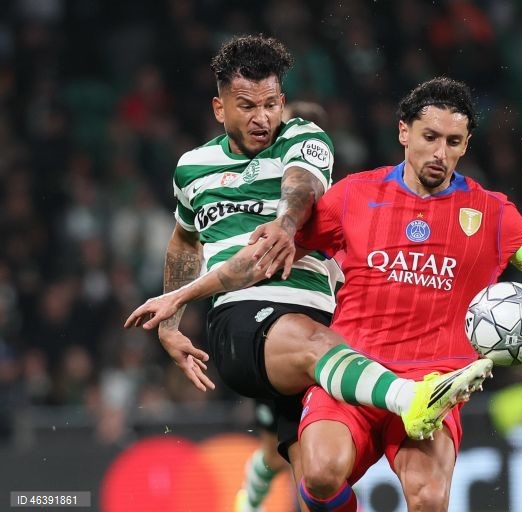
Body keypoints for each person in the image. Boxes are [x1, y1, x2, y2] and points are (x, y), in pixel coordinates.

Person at [132, 77, 522, 511]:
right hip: (350, 371)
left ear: (467, 143)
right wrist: (184, 299)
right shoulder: (354, 197)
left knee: (427, 499)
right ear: (404, 132)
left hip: (435, 386)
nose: (439, 153)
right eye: (429, 137)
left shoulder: (493, 215)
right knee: (319, 476)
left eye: (453, 141)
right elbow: (261, 253)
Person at [125, 34, 494, 496]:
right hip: (244, 319)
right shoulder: (191, 168)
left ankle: (263, 485)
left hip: (324, 333)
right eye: (246, 106)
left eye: (272, 103)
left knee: (318, 482)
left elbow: (300, 187)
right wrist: (170, 324)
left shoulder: (304, 136)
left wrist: (286, 222)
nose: (263, 118)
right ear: (220, 109)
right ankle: (410, 398)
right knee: (318, 344)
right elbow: (184, 240)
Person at [234, 101, 331, 512]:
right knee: (281, 454)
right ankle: (251, 498)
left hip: (324, 330)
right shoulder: (260, 192)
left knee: (317, 462)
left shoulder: (335, 197)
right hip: (276, 329)